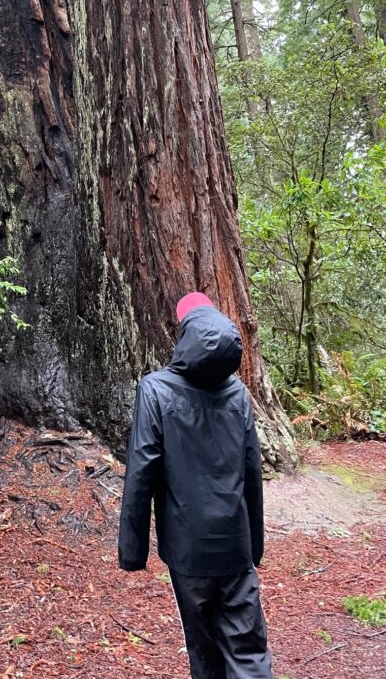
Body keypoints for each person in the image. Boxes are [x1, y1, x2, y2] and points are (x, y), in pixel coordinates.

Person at [118, 291, 272, 679]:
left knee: (204, 649)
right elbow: (251, 470)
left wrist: (132, 551)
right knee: (248, 650)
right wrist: (254, 545)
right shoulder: (238, 393)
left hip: (188, 550)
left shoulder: (155, 389)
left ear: (185, 332)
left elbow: (141, 472)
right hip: (235, 545)